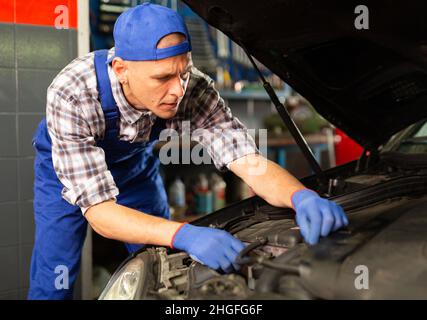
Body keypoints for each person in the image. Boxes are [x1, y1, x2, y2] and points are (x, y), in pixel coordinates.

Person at [28, 3, 348, 299]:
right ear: (121, 69)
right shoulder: (74, 93)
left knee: (161, 264)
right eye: (163, 77)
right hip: (66, 175)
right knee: (56, 270)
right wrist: (186, 234)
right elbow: (101, 214)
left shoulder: (193, 89)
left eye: (183, 72)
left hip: (134, 167)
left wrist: (299, 196)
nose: (177, 91)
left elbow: (248, 161)